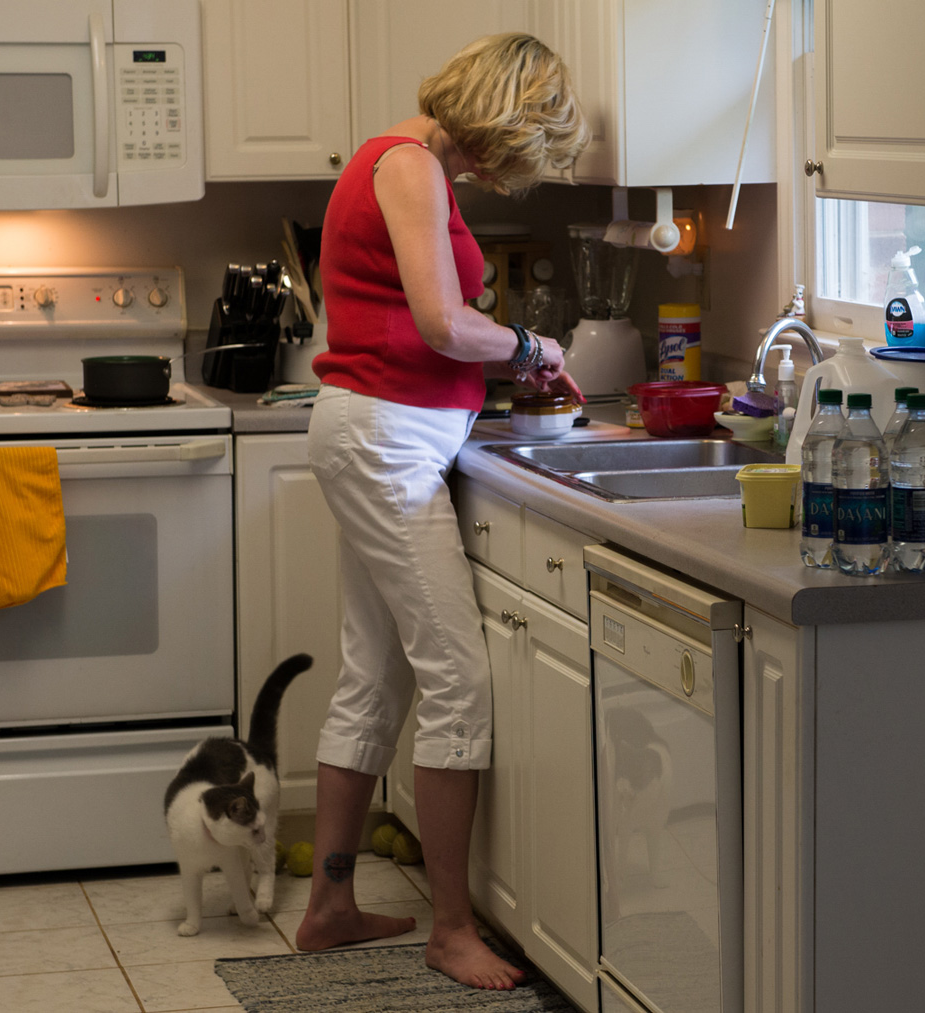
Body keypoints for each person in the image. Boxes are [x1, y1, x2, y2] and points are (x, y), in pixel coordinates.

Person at [294, 33, 588, 990]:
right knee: (457, 680)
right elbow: (441, 325)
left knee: (374, 672)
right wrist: (535, 348)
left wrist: (503, 361)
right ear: (508, 115)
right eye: (537, 141)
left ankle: (331, 905)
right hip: (388, 438)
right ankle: (452, 927)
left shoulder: (400, 163)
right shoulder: (410, 167)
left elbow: (429, 327)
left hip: (383, 432)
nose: (526, 172)